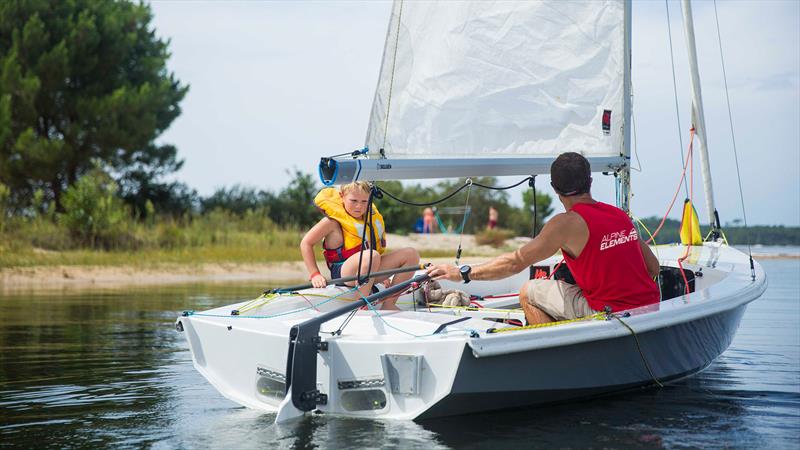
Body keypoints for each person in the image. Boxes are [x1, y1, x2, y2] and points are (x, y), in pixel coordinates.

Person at [427, 152, 660, 324]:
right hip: (650, 309)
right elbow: (653, 267)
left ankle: (555, 354)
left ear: (554, 188)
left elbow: (515, 263)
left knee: (529, 290)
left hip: (609, 315)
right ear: (590, 182)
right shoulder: (619, 215)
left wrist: (462, 273)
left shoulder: (565, 223)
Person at [301, 181, 420, 310]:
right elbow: (306, 243)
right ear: (342, 196)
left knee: (411, 254)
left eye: (364, 202)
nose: (359, 206)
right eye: (354, 201)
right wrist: (315, 274)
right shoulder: (332, 222)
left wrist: (378, 273)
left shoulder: (368, 218)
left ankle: (389, 305)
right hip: (344, 272)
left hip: (369, 266)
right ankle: (362, 306)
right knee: (371, 255)